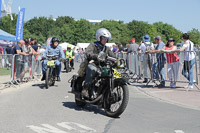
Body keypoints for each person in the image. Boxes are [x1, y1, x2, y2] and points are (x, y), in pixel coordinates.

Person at [79, 28, 116, 97]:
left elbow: (113, 56)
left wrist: (119, 60)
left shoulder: (106, 48)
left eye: (106, 39)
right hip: (93, 64)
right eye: (104, 38)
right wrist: (94, 56)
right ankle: (85, 88)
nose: (105, 40)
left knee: (110, 73)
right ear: (99, 37)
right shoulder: (93, 45)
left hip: (102, 66)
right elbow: (88, 52)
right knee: (92, 69)